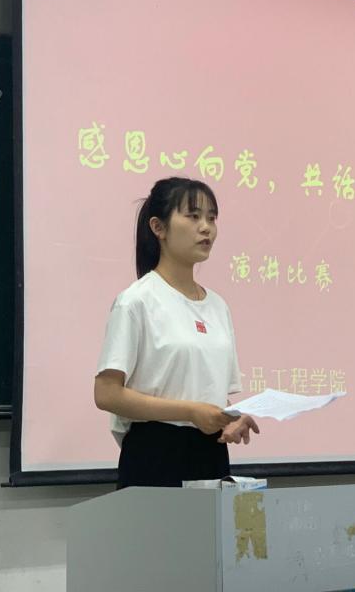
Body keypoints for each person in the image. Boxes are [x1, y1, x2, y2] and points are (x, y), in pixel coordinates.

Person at [94, 176, 259, 488]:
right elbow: (106, 393)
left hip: (211, 452)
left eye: (212, 218)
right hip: (155, 453)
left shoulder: (218, 306)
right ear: (159, 228)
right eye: (193, 216)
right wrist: (190, 411)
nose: (206, 228)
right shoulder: (136, 301)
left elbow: (206, 390)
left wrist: (230, 418)